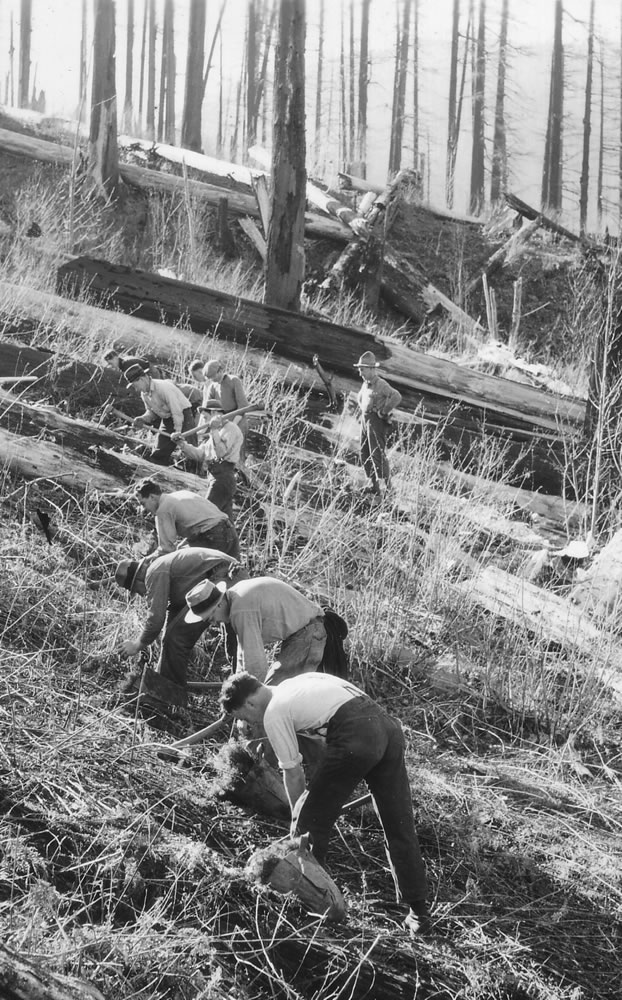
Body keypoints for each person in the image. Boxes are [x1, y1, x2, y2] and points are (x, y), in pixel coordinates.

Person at [219, 670, 431, 936]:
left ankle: (311, 907)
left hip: (357, 731)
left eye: (243, 718)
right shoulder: (293, 686)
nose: (249, 724)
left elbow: (293, 774)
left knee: (308, 821)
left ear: (249, 704)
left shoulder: (274, 712)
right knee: (398, 821)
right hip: (387, 728)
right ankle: (419, 913)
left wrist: (299, 822)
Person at [115, 547, 243, 690]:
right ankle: (240, 687)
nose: (141, 594)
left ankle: (170, 696)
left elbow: (156, 619)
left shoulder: (153, 572)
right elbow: (173, 613)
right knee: (236, 641)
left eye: (137, 590)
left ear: (138, 579)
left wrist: (137, 645)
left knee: (176, 638)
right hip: (232, 574)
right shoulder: (163, 567)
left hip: (225, 575)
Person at [184, 576, 326, 683]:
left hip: (309, 633)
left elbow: (255, 664)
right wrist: (236, 684)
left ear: (219, 605)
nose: (214, 623)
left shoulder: (242, 609)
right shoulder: (236, 599)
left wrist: (243, 699)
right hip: (303, 633)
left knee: (273, 691)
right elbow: (244, 655)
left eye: (211, 618)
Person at [171, 402, 243, 522]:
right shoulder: (214, 433)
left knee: (203, 516)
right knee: (225, 521)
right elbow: (200, 454)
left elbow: (220, 453)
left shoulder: (231, 429)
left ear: (215, 413)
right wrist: (181, 444)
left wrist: (213, 429)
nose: (203, 421)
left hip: (223, 479)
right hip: (214, 477)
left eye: (205, 417)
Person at [136, 479, 241, 559]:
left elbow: (166, 549)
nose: (144, 509)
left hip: (214, 537)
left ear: (152, 497)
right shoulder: (180, 494)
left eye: (143, 503)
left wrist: (146, 561)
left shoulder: (163, 509)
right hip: (229, 530)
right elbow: (199, 523)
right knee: (236, 575)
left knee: (193, 578)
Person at [124, 363, 197, 465]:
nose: (136, 389)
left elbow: (177, 412)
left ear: (142, 379)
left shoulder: (163, 388)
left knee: (191, 450)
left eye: (135, 386)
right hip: (167, 419)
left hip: (184, 415)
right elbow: (151, 412)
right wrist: (143, 419)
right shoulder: (144, 394)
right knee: (158, 453)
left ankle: (197, 471)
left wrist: (178, 432)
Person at [354, 350, 402, 496]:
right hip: (365, 420)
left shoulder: (380, 384)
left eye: (362, 370)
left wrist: (383, 411)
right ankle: (374, 486)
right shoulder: (365, 384)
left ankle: (388, 488)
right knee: (365, 453)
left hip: (376, 422)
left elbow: (396, 396)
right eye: (359, 370)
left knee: (377, 454)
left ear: (371, 369)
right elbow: (361, 399)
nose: (360, 373)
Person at [202, 359, 251, 463]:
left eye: (214, 376)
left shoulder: (233, 381)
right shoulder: (212, 387)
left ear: (220, 371)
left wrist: (233, 424)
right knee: (220, 450)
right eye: (210, 378)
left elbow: (243, 406)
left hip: (238, 419)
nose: (212, 379)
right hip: (221, 422)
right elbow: (208, 409)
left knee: (235, 452)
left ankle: (239, 475)